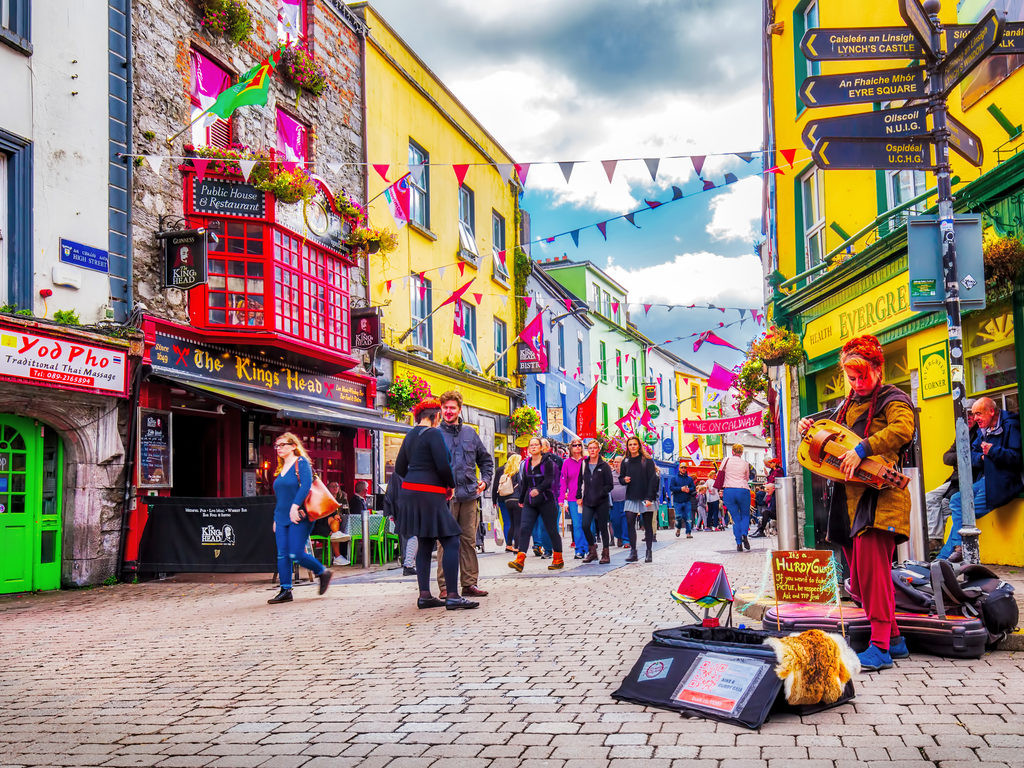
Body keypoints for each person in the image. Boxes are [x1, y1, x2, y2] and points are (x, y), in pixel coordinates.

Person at [799, 334, 914, 671]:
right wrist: (809, 426)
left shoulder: (895, 398)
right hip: (847, 501)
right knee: (860, 581)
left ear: (878, 368)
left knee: (874, 575)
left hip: (881, 498)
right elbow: (830, 431)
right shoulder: (847, 403)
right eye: (851, 377)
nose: (858, 382)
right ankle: (894, 639)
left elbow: (903, 429)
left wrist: (862, 449)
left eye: (863, 375)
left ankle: (879, 648)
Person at [395, 399, 479, 611]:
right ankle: (452, 595)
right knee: (451, 539)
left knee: (424, 540)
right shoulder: (433, 433)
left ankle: (424, 595)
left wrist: (415, 479)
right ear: (435, 417)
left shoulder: (410, 434)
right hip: (430, 493)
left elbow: (399, 467)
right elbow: (443, 464)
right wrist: (449, 485)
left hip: (410, 492)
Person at [937, 397, 1023, 561]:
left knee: (965, 512)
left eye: (978, 413)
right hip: (986, 478)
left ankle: (946, 556)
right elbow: (971, 454)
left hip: (1002, 481)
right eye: (973, 414)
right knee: (956, 500)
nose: (975, 418)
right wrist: (983, 458)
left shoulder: (1010, 426)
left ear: (991, 411)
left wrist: (993, 451)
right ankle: (954, 549)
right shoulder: (983, 430)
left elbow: (1017, 458)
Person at [436, 391, 494, 599]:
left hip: (469, 495)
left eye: (452, 408)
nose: (448, 411)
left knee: (468, 540)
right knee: (444, 542)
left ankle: (469, 583)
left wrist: (485, 481)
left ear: (459, 410)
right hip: (445, 497)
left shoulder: (470, 433)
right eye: (445, 408)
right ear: (441, 409)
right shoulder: (435, 434)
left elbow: (486, 461)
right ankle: (445, 586)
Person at [267, 432, 331, 604]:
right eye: (277, 446)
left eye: (283, 445)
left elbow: (306, 486)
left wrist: (295, 507)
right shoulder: (280, 468)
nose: (279, 448)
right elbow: (281, 497)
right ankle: (285, 590)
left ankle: (322, 571)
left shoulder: (301, 462)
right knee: (282, 555)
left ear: (294, 446)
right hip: (281, 517)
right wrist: (276, 518)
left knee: (295, 553)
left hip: (299, 514)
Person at [925, 403, 979, 555]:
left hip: (969, 480)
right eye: (965, 415)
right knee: (929, 498)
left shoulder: (979, 433)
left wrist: (961, 457)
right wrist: (961, 456)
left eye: (971, 415)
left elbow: (974, 459)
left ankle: (943, 546)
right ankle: (934, 539)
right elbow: (946, 457)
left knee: (946, 504)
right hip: (954, 479)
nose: (968, 418)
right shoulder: (962, 432)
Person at [509, 436, 563, 572]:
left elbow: (549, 480)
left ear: (541, 448)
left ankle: (558, 558)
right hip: (530, 501)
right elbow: (525, 483)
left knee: (551, 529)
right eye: (531, 445)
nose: (533, 447)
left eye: (535, 445)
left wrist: (538, 490)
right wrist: (521, 500)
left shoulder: (548, 462)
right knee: (525, 528)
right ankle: (520, 560)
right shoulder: (526, 463)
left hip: (546, 500)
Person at [619, 436, 660, 563]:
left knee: (647, 525)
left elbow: (653, 480)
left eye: (635, 444)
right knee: (630, 521)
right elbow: (621, 478)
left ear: (639, 446)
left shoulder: (646, 461)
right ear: (628, 446)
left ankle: (648, 551)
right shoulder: (625, 461)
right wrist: (624, 480)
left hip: (645, 497)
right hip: (631, 496)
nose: (632, 447)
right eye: (630, 444)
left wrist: (649, 498)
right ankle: (633, 551)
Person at [578, 438, 615, 563]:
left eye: (594, 448)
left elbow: (610, 485)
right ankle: (592, 550)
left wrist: (601, 493)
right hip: (588, 500)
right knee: (585, 525)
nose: (592, 450)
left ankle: (606, 554)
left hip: (601, 501)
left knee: (602, 527)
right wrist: (579, 496)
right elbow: (579, 482)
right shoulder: (584, 464)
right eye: (590, 448)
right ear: (587, 450)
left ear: (598, 450)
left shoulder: (604, 466)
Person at [721, 443, 753, 552]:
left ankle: (738, 542)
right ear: (742, 452)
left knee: (735, 518)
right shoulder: (745, 463)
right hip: (742, 489)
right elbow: (747, 477)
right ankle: (744, 534)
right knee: (745, 514)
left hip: (729, 490)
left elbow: (720, 474)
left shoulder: (726, 460)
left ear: (732, 451)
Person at [384, 471, 416, 576]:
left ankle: (407, 563)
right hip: (410, 509)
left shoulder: (397, 473)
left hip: (400, 509)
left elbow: (390, 494)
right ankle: (408, 564)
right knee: (413, 537)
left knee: (406, 538)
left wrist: (391, 513)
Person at [559, 439, 588, 559]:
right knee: (576, 524)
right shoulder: (566, 463)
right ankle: (579, 549)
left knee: (587, 524)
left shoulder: (586, 461)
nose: (577, 447)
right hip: (572, 498)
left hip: (587, 497)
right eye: (574, 445)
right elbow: (563, 481)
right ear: (570, 448)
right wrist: (561, 498)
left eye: (579, 445)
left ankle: (588, 548)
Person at [492, 453, 523, 554]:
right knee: (517, 523)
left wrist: (494, 500)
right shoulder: (518, 471)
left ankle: (509, 544)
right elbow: (522, 486)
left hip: (504, 500)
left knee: (508, 522)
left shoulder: (502, 470)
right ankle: (517, 546)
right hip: (516, 499)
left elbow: (495, 485)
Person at [670, 462, 697, 538]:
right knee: (678, 517)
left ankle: (688, 533)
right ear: (679, 469)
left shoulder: (689, 479)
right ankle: (678, 528)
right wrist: (681, 489)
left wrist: (689, 489)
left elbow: (694, 488)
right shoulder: (674, 478)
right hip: (677, 501)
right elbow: (671, 488)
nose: (683, 469)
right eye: (682, 468)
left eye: (685, 468)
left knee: (688, 518)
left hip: (687, 501)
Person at [609, 455, 629, 547]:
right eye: (615, 462)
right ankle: (619, 536)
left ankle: (626, 540)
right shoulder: (610, 475)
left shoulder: (626, 474)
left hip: (626, 501)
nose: (615, 464)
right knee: (615, 521)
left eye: (618, 462)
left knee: (625, 520)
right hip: (614, 502)